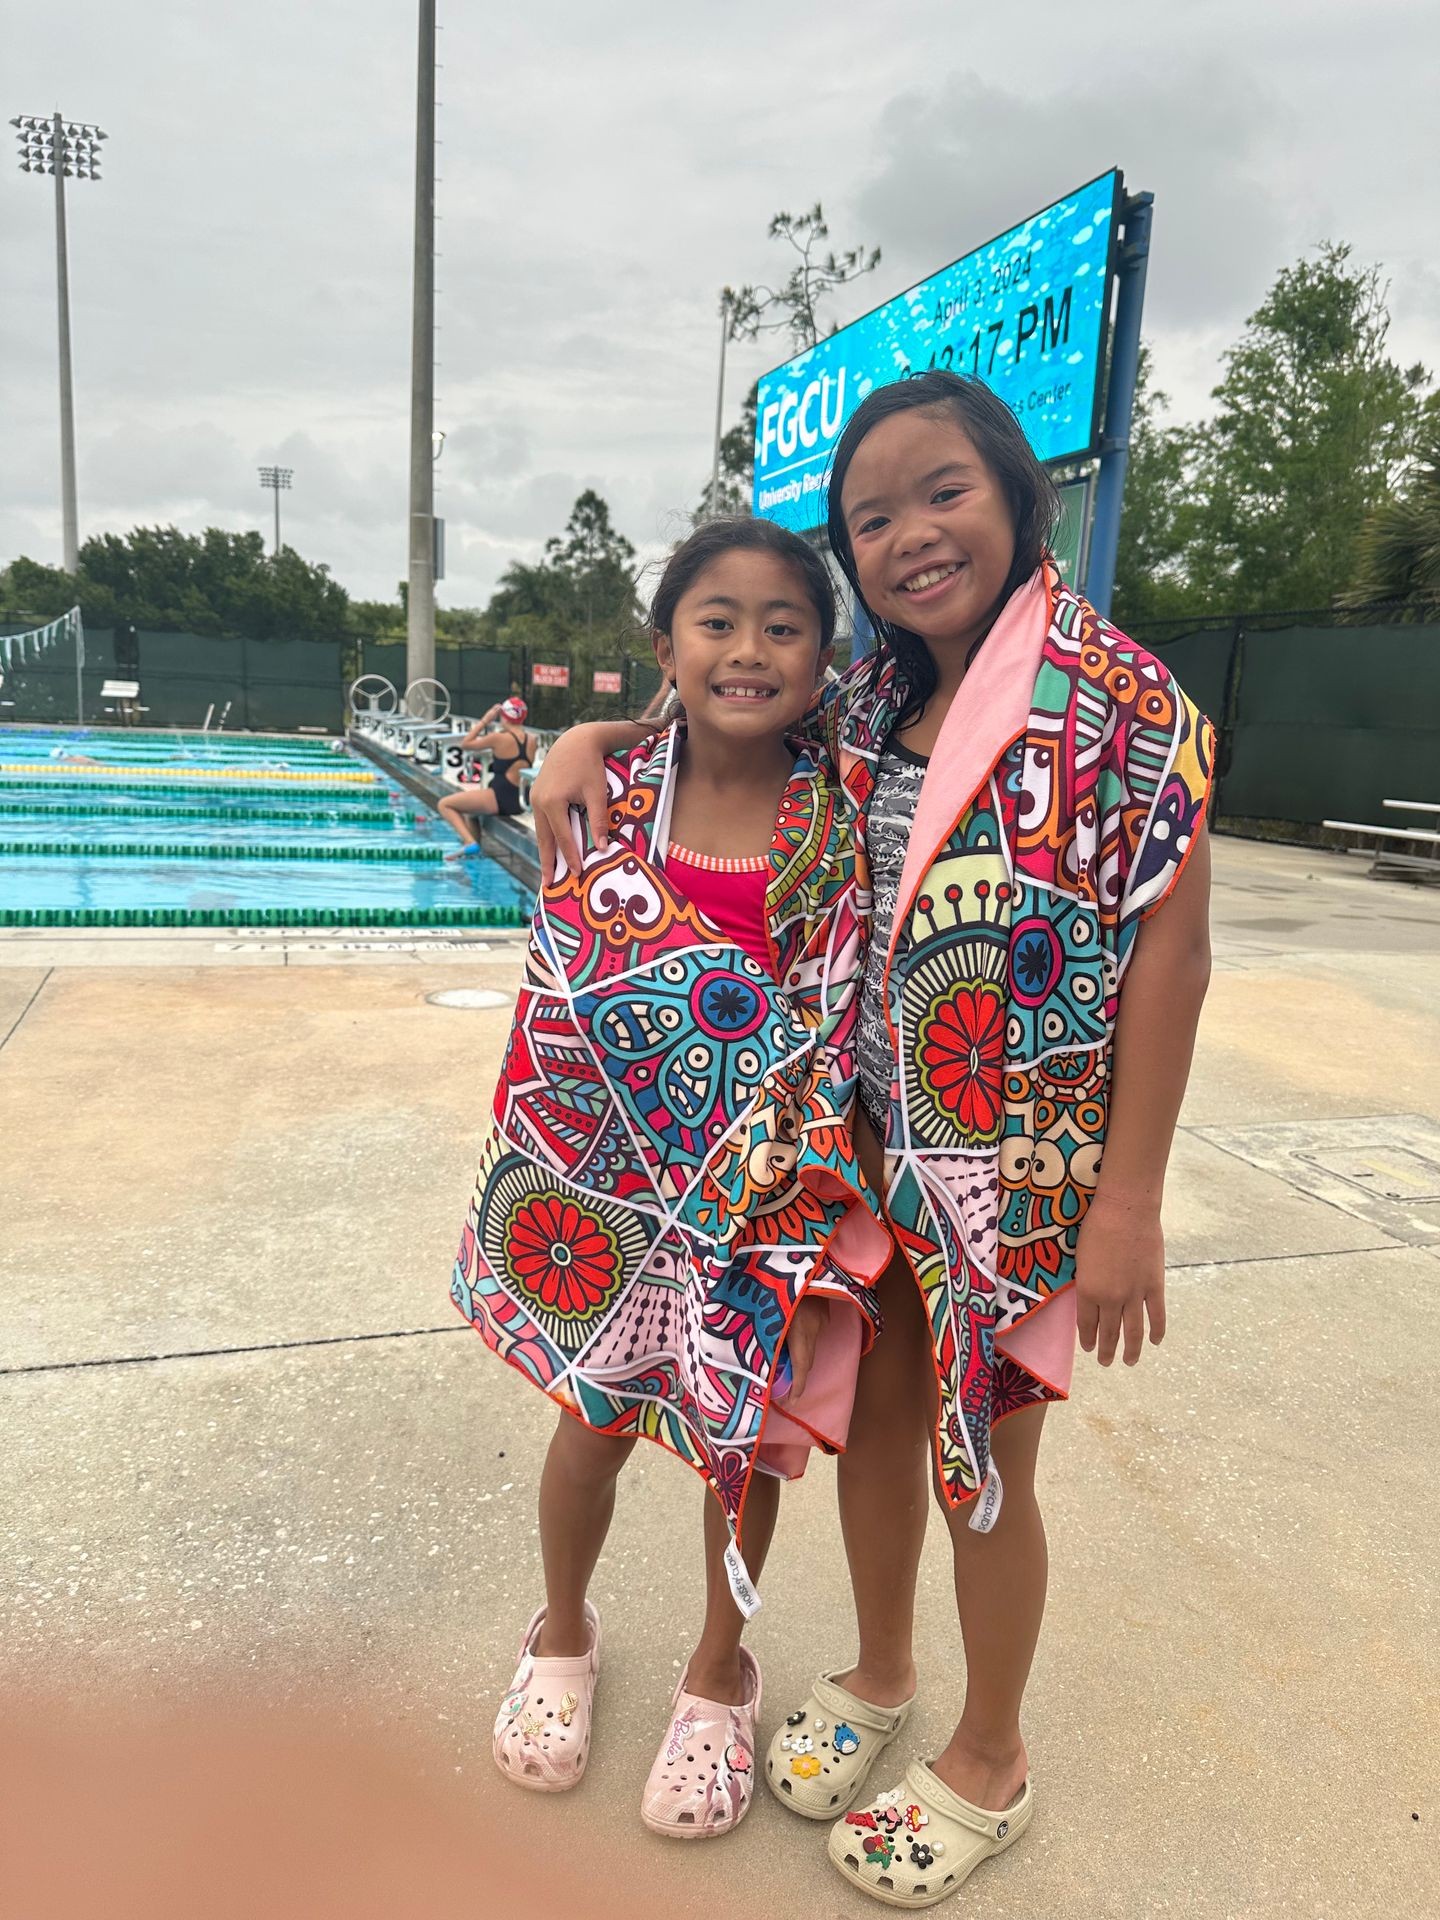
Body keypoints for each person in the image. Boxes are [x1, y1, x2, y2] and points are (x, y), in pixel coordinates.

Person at [528, 372, 1214, 1907]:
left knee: (985, 1465)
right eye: (873, 516)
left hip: (1020, 1172)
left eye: (944, 493)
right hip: (869, 1146)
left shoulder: (1122, 697)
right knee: (884, 1419)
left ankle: (992, 1754)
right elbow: (723, 699)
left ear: (1021, 498)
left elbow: (1171, 950)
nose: (911, 534)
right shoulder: (875, 693)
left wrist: (1132, 1203)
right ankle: (885, 1667)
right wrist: (596, 734)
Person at [452, 517, 891, 1839]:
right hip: (607, 1188)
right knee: (589, 1432)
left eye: (783, 625)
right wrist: (566, 751)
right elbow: (572, 978)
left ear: (824, 657)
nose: (748, 649)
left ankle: (719, 1675)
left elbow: (838, 1013)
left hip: (757, 1196)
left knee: (734, 1459)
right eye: (716, 620)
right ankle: (566, 1633)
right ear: (665, 646)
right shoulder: (608, 789)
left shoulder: (844, 806)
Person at [437, 696, 537, 857]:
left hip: (500, 797)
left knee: (445, 804)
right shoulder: (532, 740)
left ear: (504, 716)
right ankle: (473, 852)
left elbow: (466, 744)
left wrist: (486, 720)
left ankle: (470, 843)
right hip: (521, 800)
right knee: (472, 814)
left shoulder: (498, 738)